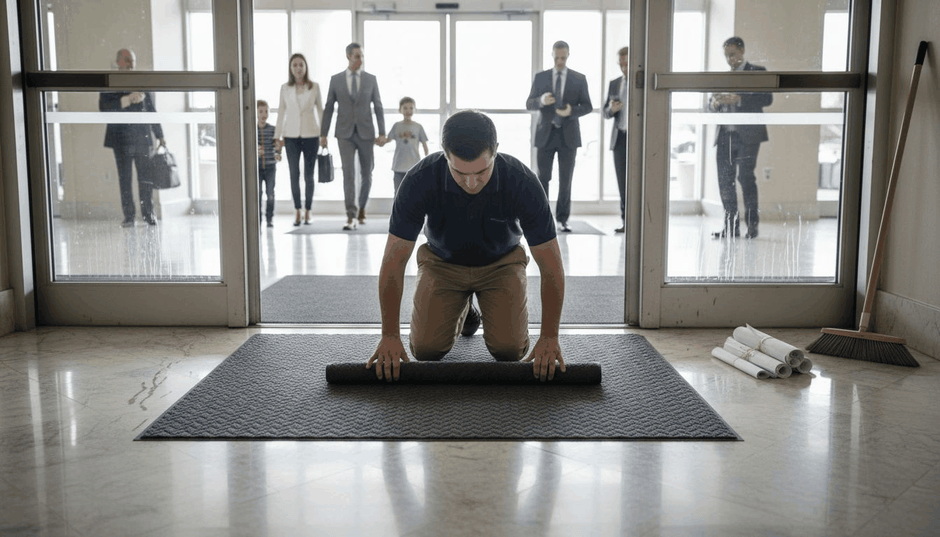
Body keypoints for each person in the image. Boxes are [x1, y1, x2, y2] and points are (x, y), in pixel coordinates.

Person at [366, 110, 567, 383]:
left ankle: (474, 302)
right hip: (441, 263)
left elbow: (551, 264)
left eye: (482, 171)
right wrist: (389, 335)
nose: (471, 183)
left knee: (509, 351)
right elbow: (394, 260)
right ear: (445, 155)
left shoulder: (522, 181)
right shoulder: (419, 179)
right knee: (425, 350)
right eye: (460, 173)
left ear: (495, 151)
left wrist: (549, 337)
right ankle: (466, 310)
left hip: (502, 263)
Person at [709, 36, 773, 239]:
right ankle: (731, 227)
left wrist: (739, 99)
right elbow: (710, 103)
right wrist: (715, 103)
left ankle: (752, 226)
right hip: (724, 136)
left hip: (748, 136)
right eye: (726, 56)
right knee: (725, 182)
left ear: (742, 51)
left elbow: (767, 98)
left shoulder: (758, 72)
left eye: (733, 54)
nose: (730, 59)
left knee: (745, 178)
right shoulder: (722, 77)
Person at [525, 40, 593, 232]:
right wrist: (541, 100)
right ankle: (542, 218)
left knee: (566, 180)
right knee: (542, 178)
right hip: (545, 136)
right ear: (552, 55)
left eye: (563, 57)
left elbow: (587, 106)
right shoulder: (541, 77)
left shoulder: (579, 78)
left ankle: (563, 219)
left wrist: (571, 111)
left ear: (568, 55)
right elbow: (529, 103)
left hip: (568, 137)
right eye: (557, 58)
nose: (560, 61)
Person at [320, 43, 387, 230]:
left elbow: (378, 106)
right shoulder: (336, 80)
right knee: (348, 174)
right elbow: (329, 107)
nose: (360, 59)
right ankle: (351, 215)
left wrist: (382, 132)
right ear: (348, 56)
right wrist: (323, 134)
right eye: (357, 55)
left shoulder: (371, 79)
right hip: (344, 134)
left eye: (362, 55)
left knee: (367, 173)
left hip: (366, 133)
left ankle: (362, 208)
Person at [99, 48, 165, 228]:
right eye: (127, 60)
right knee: (125, 179)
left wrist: (160, 135)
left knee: (146, 179)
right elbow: (104, 107)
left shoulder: (142, 80)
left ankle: (149, 215)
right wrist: (127, 99)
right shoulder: (110, 81)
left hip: (143, 138)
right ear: (118, 62)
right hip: (121, 140)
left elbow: (151, 110)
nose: (130, 64)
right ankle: (129, 217)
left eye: (132, 60)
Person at [274, 53, 323, 227]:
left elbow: (320, 111)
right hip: (290, 137)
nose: (298, 68)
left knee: (309, 175)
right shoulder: (285, 88)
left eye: (301, 64)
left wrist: (324, 135)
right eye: (294, 65)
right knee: (294, 174)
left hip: (311, 135)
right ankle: (297, 210)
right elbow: (281, 112)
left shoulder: (314, 87)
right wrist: (277, 136)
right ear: (290, 68)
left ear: (305, 67)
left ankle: (308, 211)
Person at [602, 46, 630, 234]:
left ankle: (637, 222)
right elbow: (605, 112)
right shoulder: (614, 83)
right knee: (622, 183)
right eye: (621, 64)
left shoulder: (640, 83)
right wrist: (612, 110)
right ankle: (625, 222)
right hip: (619, 138)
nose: (624, 67)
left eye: (627, 63)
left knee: (635, 182)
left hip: (637, 138)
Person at [386, 97, 429, 196]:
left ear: (414, 110)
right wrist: (378, 140)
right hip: (398, 166)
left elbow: (424, 144)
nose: (408, 111)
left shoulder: (418, 126)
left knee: (414, 193)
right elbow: (388, 139)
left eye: (411, 108)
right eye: (405, 108)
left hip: (414, 166)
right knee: (398, 193)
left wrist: (426, 157)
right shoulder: (396, 126)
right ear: (400, 110)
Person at [257, 99, 281, 228]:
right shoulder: (252, 130)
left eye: (266, 111)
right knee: (258, 194)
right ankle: (258, 219)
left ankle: (269, 219)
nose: (264, 114)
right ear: (256, 113)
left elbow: (277, 149)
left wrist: (278, 151)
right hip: (257, 167)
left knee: (270, 193)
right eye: (261, 111)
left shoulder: (273, 129)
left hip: (271, 166)